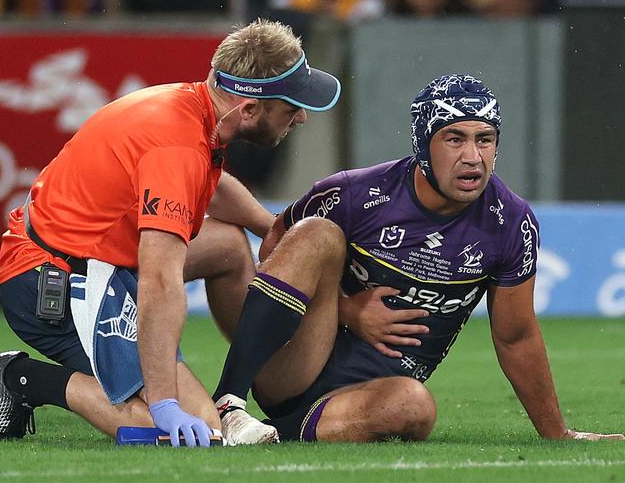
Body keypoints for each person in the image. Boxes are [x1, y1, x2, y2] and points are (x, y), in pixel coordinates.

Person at [0, 18, 341, 448]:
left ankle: (233, 395)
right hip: (55, 279)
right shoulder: (177, 147)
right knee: (188, 431)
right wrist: (165, 401)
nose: (300, 117)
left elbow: (211, 181)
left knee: (228, 246)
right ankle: (22, 379)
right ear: (248, 109)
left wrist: (268, 226)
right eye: (291, 105)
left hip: (91, 254)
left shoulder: (198, 108)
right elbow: (160, 280)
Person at [211, 74, 625, 443]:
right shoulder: (354, 193)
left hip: (366, 397)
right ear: (424, 144)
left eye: (485, 139)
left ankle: (275, 434)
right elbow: (275, 247)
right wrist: (344, 309)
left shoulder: (510, 224)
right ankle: (228, 406)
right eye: (455, 139)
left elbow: (515, 337)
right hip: (291, 363)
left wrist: (558, 434)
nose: (473, 157)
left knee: (416, 406)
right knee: (317, 232)